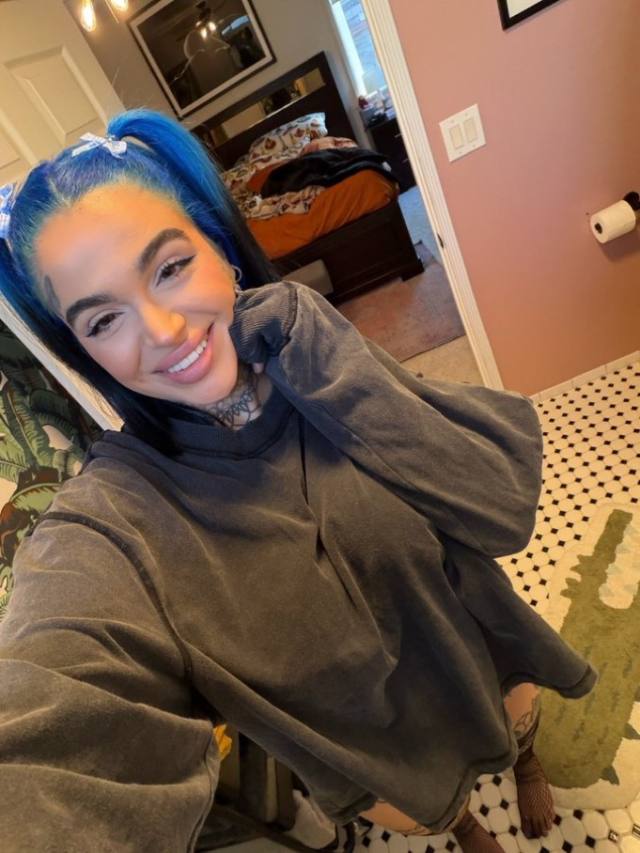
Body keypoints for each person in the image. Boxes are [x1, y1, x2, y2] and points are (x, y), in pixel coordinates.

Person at [0, 110, 596, 853]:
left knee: (517, 718)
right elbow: (47, 712)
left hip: (478, 652)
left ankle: (527, 759)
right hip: (380, 748)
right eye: (102, 320)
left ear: (219, 247)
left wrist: (318, 345)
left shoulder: (316, 353)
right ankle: (468, 826)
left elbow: (503, 503)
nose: (161, 329)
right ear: (84, 351)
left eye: (170, 268)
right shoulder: (118, 511)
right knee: (435, 807)